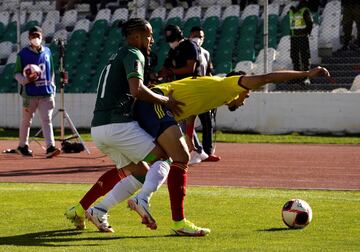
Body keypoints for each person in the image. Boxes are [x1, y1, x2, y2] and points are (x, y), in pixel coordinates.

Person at [65, 66, 330, 235]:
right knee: (177, 159)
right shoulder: (228, 84)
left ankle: (90, 209)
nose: (246, 95)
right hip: (156, 102)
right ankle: (163, 213)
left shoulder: (216, 92)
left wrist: (186, 139)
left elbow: (187, 115)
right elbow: (268, 77)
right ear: (240, 81)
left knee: (140, 166)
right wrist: (306, 74)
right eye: (246, 91)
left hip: (153, 108)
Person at [65, 18, 210, 236]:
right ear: (135, 36)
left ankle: (97, 210)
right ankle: (161, 212)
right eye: (148, 35)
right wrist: (165, 102)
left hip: (100, 129)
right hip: (118, 126)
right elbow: (137, 90)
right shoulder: (134, 54)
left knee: (139, 171)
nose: (151, 40)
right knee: (164, 158)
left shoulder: (115, 56)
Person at [159, 24, 210, 164]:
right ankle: (197, 150)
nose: (171, 42)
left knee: (185, 119)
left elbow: (190, 68)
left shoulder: (189, 46)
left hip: (193, 85)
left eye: (172, 39)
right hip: (181, 87)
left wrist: (171, 72)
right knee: (183, 119)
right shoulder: (173, 51)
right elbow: (166, 68)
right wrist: (159, 75)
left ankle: (193, 149)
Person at [14, 26, 61, 158]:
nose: (36, 38)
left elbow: (51, 72)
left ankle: (50, 147)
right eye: (33, 36)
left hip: (46, 93)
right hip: (29, 94)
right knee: (26, 121)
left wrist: (53, 89)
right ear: (29, 38)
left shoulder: (47, 52)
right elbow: (16, 74)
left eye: (38, 36)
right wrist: (26, 79)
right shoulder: (22, 54)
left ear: (42, 37)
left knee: (47, 120)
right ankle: (22, 146)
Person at [189, 26, 220, 163]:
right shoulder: (187, 51)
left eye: (201, 36)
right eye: (195, 36)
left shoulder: (206, 53)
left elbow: (208, 72)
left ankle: (207, 152)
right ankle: (195, 149)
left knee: (208, 123)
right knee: (187, 124)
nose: (198, 39)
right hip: (190, 92)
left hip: (203, 92)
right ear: (190, 36)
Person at [289, 0, 313, 85]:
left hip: (302, 37)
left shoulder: (304, 10)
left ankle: (306, 77)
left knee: (305, 57)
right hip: (293, 37)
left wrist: (305, 33)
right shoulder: (291, 11)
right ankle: (297, 77)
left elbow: (310, 23)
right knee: (295, 57)